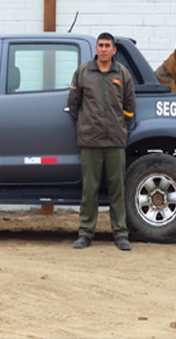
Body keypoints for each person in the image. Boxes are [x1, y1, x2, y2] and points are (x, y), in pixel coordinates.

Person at [67, 32, 136, 251]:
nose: (104, 49)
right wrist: (86, 124)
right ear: (96, 48)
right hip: (91, 141)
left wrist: (118, 124)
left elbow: (130, 106)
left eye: (108, 46)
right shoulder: (83, 72)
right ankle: (86, 233)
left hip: (115, 141)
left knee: (117, 189)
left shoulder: (122, 74)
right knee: (90, 189)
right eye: (100, 45)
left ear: (114, 50)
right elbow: (73, 104)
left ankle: (121, 234)